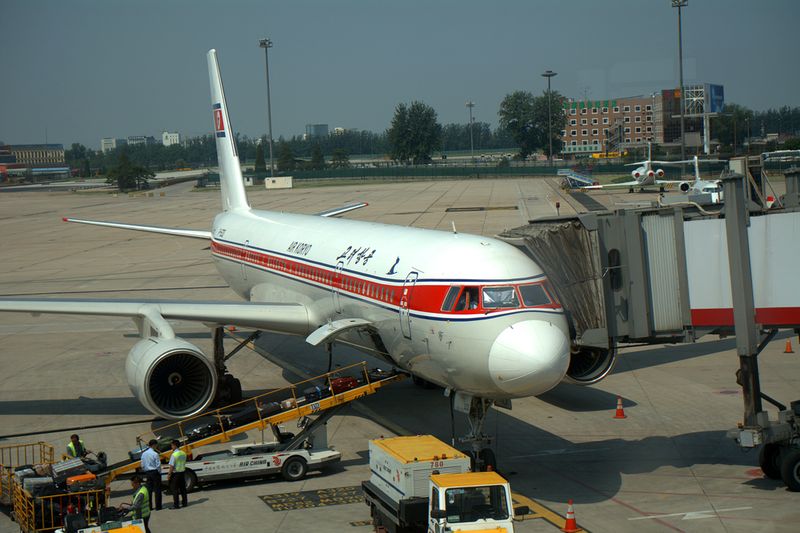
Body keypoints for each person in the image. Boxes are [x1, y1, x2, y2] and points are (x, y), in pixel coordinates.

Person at [140, 439, 163, 511]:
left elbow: (142, 465)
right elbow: (158, 465)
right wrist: (159, 472)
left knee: (149, 490)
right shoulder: (155, 454)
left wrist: (146, 470)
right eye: (156, 445)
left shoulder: (144, 454)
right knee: (157, 490)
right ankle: (158, 506)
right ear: (154, 445)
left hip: (148, 473)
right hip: (155, 472)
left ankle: (150, 507)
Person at [167, 440, 188, 510]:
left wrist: (169, 475)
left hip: (176, 474)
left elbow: (171, 466)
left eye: (172, 445)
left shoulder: (174, 455)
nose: (171, 447)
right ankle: (185, 503)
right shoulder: (183, 453)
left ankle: (176, 505)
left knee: (175, 490)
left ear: (175, 446)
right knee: (183, 489)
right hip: (182, 473)